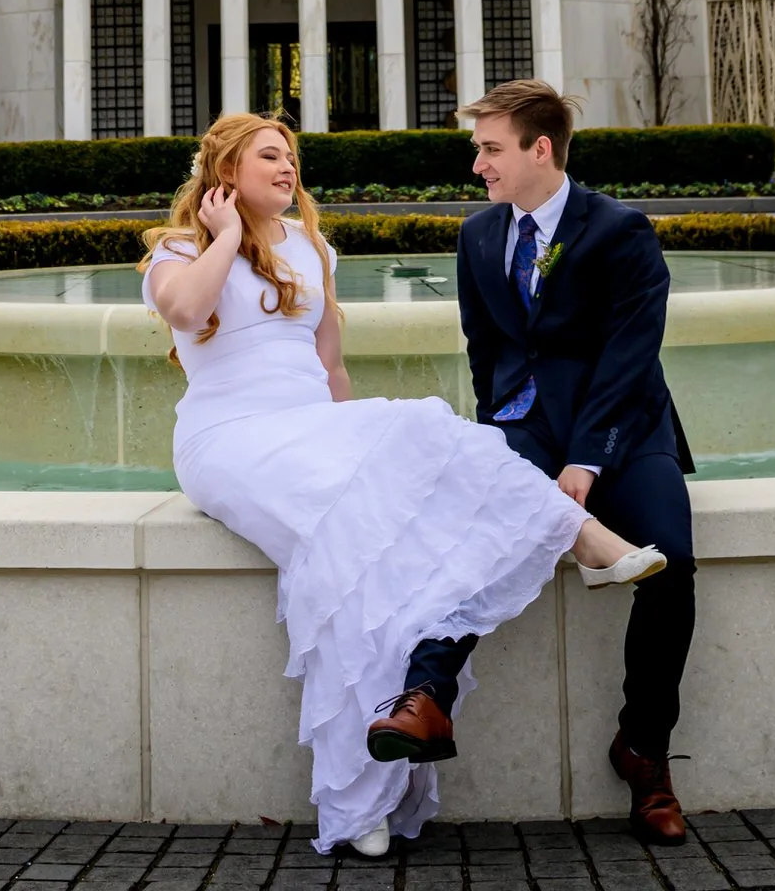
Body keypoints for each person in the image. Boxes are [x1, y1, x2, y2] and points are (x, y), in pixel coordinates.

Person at [141, 112, 665, 858]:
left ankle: (369, 793)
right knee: (378, 517)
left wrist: (358, 450)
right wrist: (225, 235)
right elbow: (187, 311)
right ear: (226, 172)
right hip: (229, 439)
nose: (288, 170)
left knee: (384, 532)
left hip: (309, 428)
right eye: (270, 158)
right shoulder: (179, 249)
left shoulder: (311, 246)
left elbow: (332, 370)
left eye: (292, 158)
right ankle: (579, 535)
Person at [388, 79, 695, 846]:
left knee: (674, 564)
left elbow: (630, 359)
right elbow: (486, 352)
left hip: (624, 429)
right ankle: (426, 695)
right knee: (471, 529)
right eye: (479, 149)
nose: (478, 166)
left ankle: (644, 751)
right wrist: (495, 442)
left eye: (490, 149)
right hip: (524, 430)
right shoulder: (477, 239)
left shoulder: (621, 232)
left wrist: (588, 460)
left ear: (541, 149)